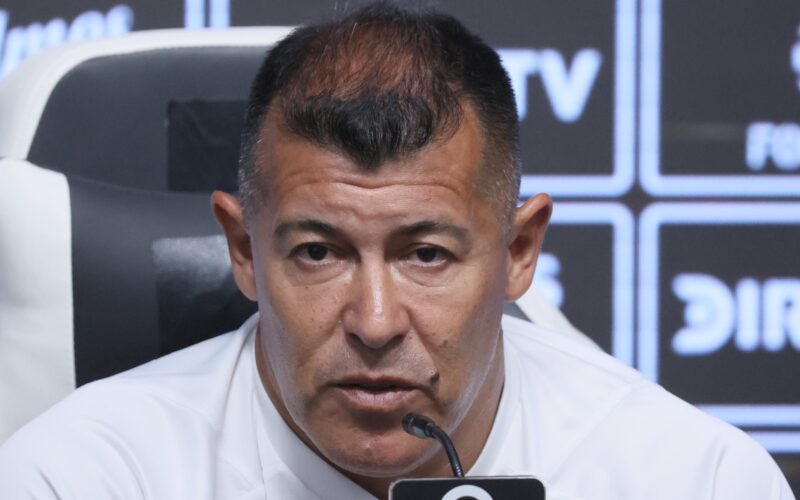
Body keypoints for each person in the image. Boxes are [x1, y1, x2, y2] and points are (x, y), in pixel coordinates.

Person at [0, 4, 794, 499]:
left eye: (427, 255)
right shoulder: (75, 480)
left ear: (519, 251)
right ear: (244, 249)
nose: (375, 323)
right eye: (318, 252)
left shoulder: (695, 480)